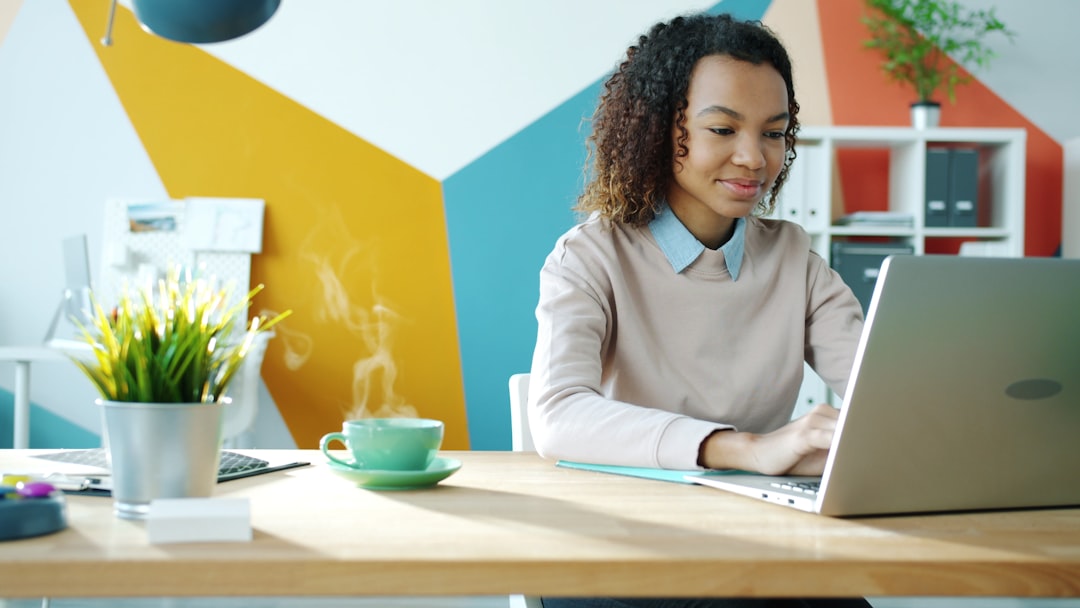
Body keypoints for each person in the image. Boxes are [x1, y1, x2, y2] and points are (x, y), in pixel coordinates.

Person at [528, 12, 869, 608]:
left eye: (773, 133)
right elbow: (558, 415)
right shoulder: (590, 255)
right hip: (617, 549)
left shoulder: (794, 258)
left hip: (750, 542)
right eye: (722, 129)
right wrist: (748, 449)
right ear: (659, 128)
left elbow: (883, 391)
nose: (753, 157)